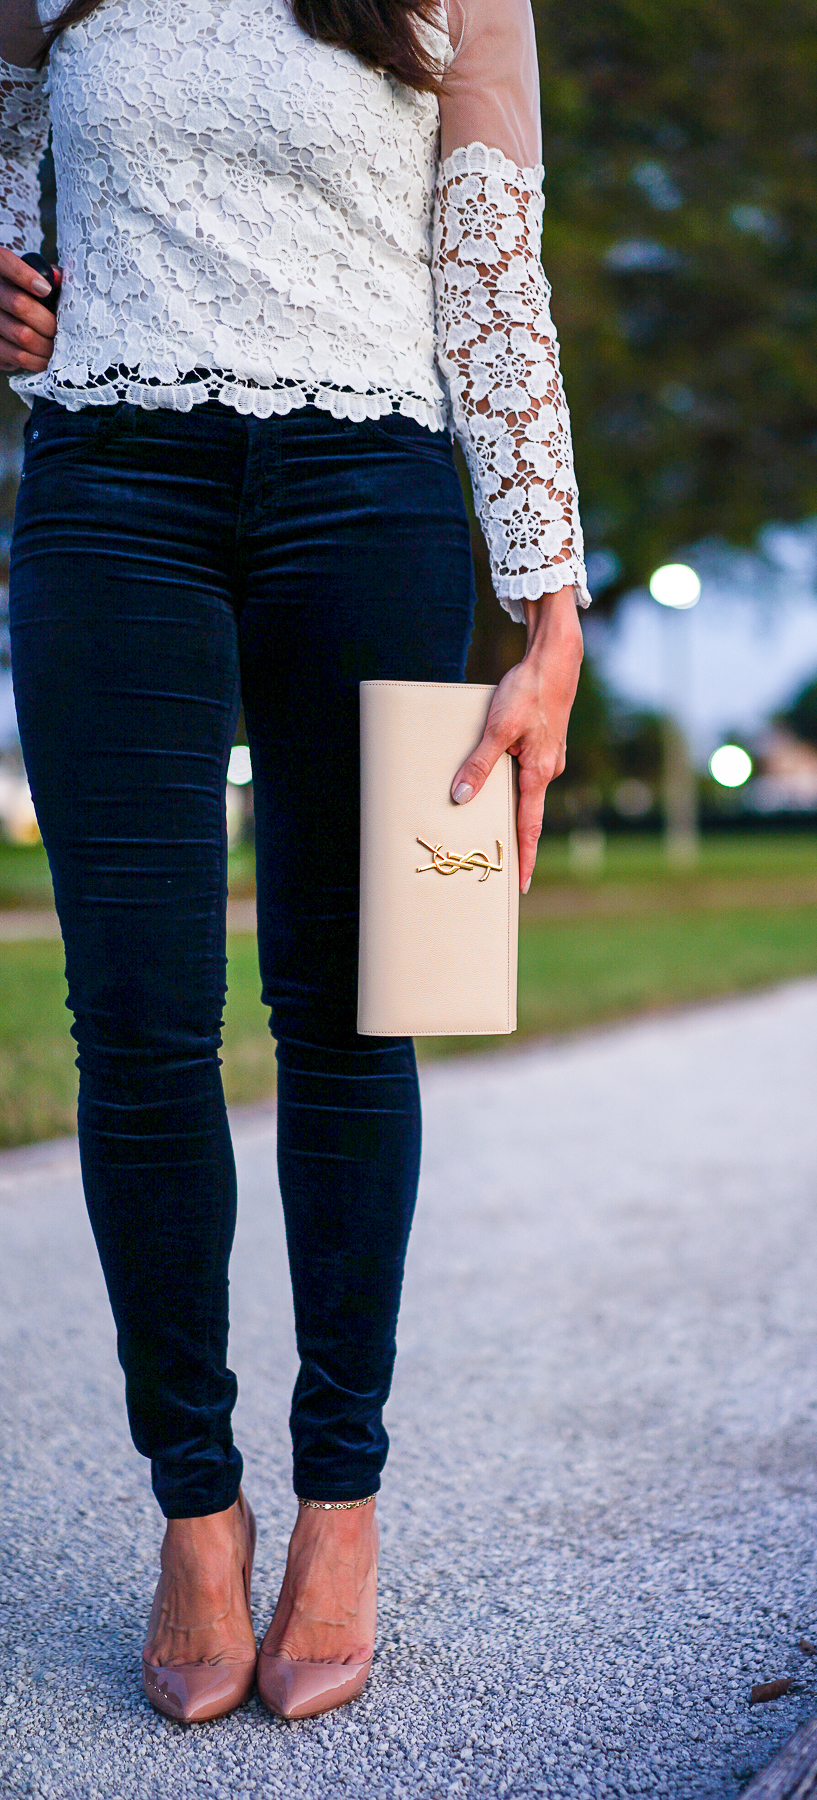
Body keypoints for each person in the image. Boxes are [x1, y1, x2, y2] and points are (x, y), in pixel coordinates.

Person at [0, 0, 586, 1725]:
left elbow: (493, 286)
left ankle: (341, 1503)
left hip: (377, 500)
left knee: (360, 1014)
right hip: (110, 495)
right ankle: (197, 1507)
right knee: (140, 1027)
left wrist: (550, 617)